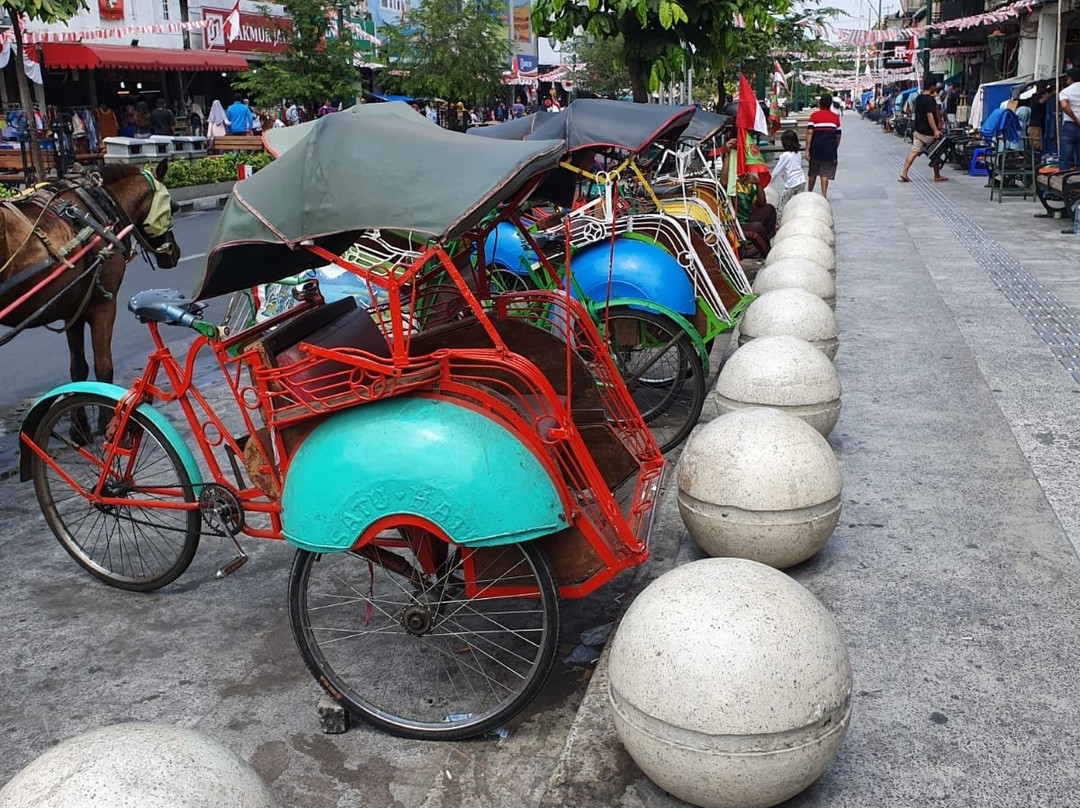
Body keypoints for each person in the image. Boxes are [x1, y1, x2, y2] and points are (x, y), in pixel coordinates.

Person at [899, 78, 946, 182]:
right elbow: (930, 115)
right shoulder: (930, 100)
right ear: (932, 87)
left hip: (917, 130)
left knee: (914, 151)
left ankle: (904, 172)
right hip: (928, 133)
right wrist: (935, 130)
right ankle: (937, 175)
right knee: (936, 153)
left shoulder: (918, 98)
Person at [805, 93, 841, 198]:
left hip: (815, 148)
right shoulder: (835, 118)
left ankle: (809, 194)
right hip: (829, 148)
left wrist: (807, 149)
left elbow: (810, 133)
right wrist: (835, 146)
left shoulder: (814, 116)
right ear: (830, 104)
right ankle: (824, 196)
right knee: (824, 173)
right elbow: (838, 135)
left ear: (820, 103)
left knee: (812, 172)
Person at [769, 129, 807, 217]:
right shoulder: (798, 153)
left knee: (781, 205)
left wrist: (769, 181)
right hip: (801, 181)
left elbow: (776, 170)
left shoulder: (784, 156)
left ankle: (778, 222)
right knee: (798, 203)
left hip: (791, 184)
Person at [1058, 69, 1080, 171]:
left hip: (1070, 126)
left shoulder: (1065, 92)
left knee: (1065, 158)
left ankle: (1064, 181)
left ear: (1070, 78)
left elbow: (1065, 105)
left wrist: (1076, 119)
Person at [1027, 84, 1052, 153]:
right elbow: (1041, 101)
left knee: (1038, 144)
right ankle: (1034, 161)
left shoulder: (1040, 96)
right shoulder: (1035, 96)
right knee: (1035, 145)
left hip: (1039, 124)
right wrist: (1052, 94)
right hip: (1035, 125)